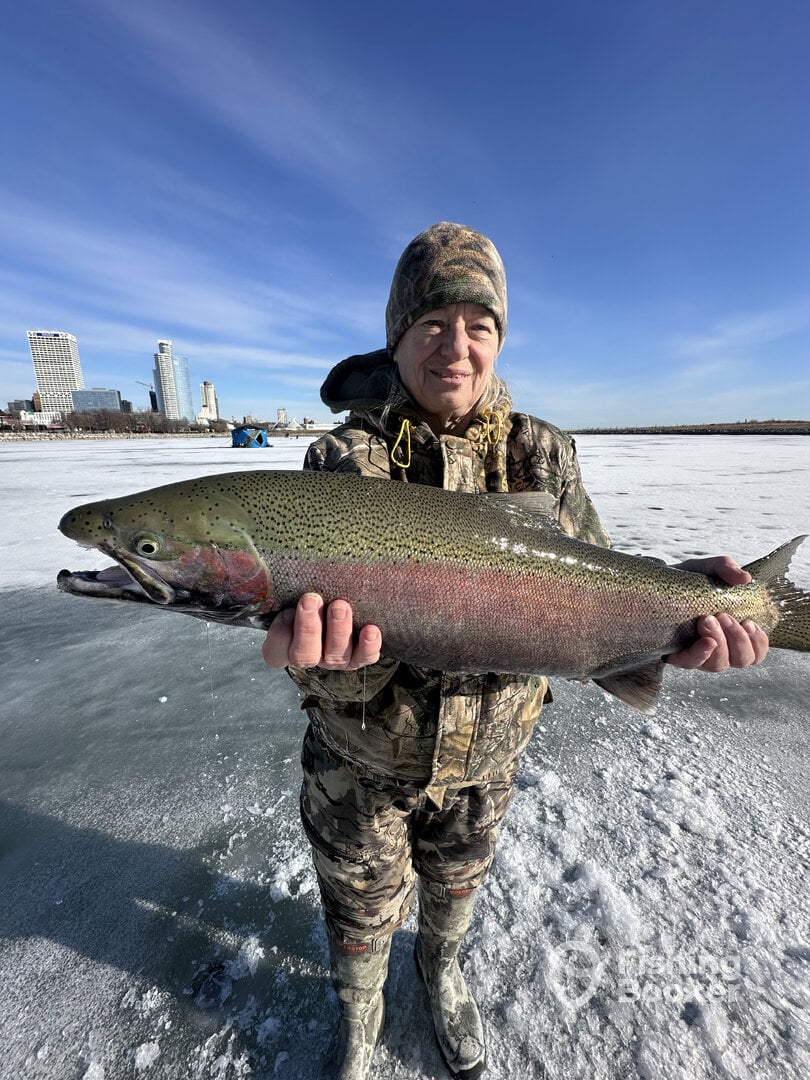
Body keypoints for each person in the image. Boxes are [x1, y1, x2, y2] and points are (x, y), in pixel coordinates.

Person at [263, 223, 768, 1079]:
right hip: (359, 767)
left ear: (499, 339)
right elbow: (316, 626)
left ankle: (442, 971)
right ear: (397, 337)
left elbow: (601, 579)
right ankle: (361, 1013)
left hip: (485, 766)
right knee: (357, 912)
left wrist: (681, 617)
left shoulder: (543, 452)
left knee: (454, 900)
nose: (456, 349)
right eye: (431, 325)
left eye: (479, 326)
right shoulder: (342, 459)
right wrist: (320, 658)